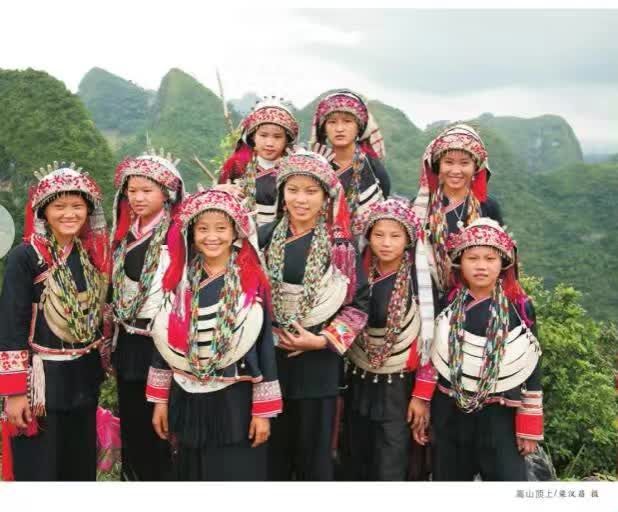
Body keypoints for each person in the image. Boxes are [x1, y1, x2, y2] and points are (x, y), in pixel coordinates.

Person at [147, 188, 281, 481]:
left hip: (235, 400)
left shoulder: (251, 281)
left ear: (235, 233)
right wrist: (160, 400)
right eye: (203, 229)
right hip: (186, 393)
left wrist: (263, 412)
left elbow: (264, 347)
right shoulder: (179, 280)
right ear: (191, 234)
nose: (212, 237)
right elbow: (164, 342)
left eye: (221, 228)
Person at [259, 149, 369, 481]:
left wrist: (320, 341)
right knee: (271, 459)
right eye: (293, 190)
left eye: (311, 191)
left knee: (315, 460)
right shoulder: (263, 238)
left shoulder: (340, 247)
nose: (301, 199)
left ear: (325, 197)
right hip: (270, 365)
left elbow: (358, 305)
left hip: (318, 370)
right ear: (282, 193)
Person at [0, 162, 110, 480]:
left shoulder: (89, 257)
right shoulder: (26, 257)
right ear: (44, 212)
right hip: (41, 385)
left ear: (88, 211)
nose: (69, 214)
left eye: (77, 206)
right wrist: (15, 392)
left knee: (78, 467)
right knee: (41, 468)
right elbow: (11, 325)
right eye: (59, 207)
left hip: (83, 378)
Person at [414, 218, 543, 481]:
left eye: (490, 258)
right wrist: (422, 399)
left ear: (503, 263)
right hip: (450, 408)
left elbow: (532, 363)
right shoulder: (449, 302)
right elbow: (432, 352)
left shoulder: (519, 306)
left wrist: (529, 425)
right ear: (460, 262)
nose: (481, 266)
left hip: (500, 414)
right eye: (472, 258)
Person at [342, 198, 438, 480]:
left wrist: (421, 396)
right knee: (356, 454)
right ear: (368, 236)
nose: (386, 243)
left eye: (395, 236)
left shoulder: (420, 283)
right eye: (379, 235)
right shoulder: (359, 277)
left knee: (391, 459)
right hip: (358, 379)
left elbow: (431, 341)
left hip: (398, 386)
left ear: (408, 240)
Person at [109, 147, 185, 480]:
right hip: (127, 341)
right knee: (132, 424)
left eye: (147, 190)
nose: (137, 198)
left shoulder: (177, 234)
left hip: (162, 343)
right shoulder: (124, 234)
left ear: (166, 193)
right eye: (132, 190)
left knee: (160, 426)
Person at [413, 124, 503, 293]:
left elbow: (499, 255)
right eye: (448, 162)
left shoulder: (488, 207)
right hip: (428, 293)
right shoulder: (422, 207)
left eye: (464, 163)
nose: (456, 171)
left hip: (473, 293)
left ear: (475, 166)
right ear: (438, 165)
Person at [311, 89, 390, 233]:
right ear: (324, 128)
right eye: (332, 122)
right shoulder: (315, 166)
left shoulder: (373, 168)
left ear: (359, 127)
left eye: (347, 121)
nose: (339, 129)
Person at [219, 97, 299, 227]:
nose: (269, 143)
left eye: (277, 137)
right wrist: (221, 192)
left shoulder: (294, 168)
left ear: (287, 140)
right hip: (243, 231)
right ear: (253, 137)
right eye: (263, 135)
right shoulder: (237, 165)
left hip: (281, 233)